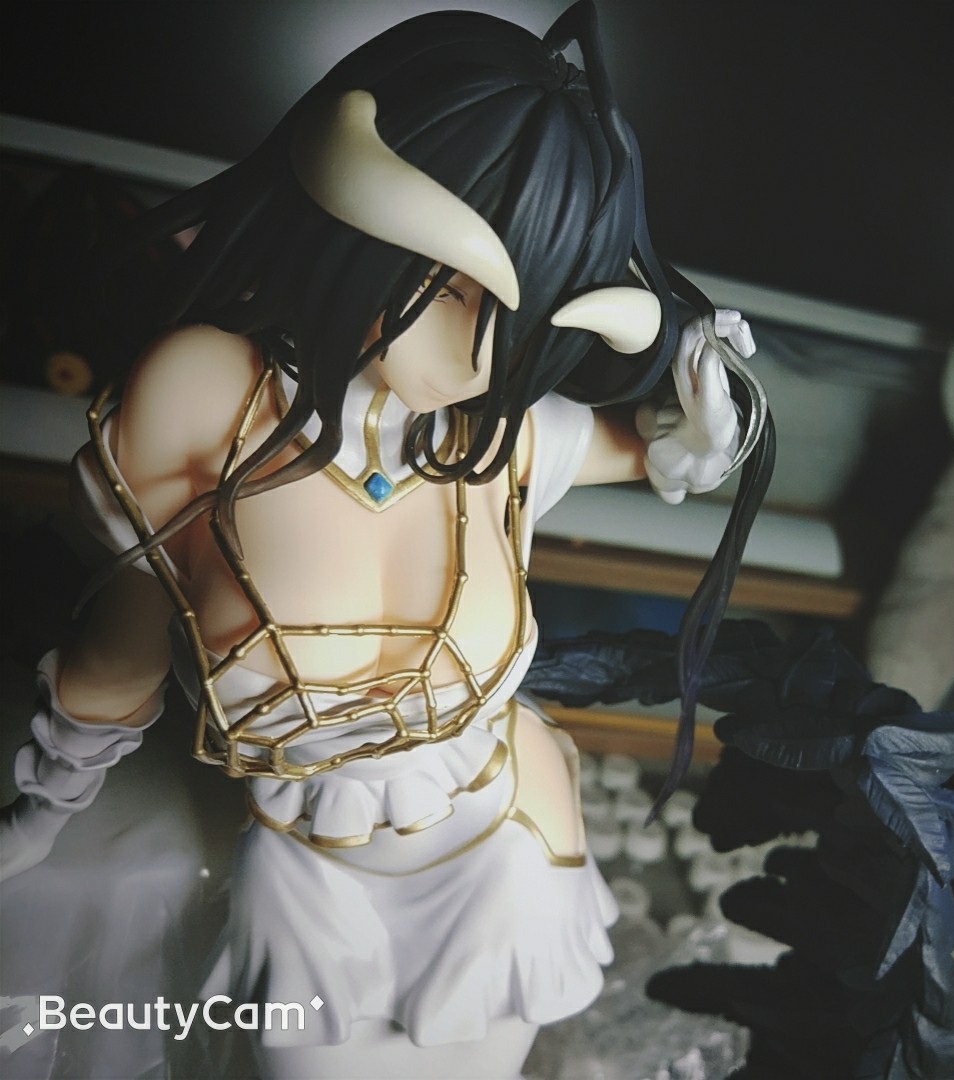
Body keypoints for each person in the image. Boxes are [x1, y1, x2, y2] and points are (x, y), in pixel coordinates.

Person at [0, 5, 771, 1076]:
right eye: (458, 287)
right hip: (313, 872)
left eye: (530, 314)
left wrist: (710, 424)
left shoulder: (497, 439)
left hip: (510, 856)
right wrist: (42, 813)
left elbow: (662, 452)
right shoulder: (208, 399)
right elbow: (122, 636)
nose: (487, 354)